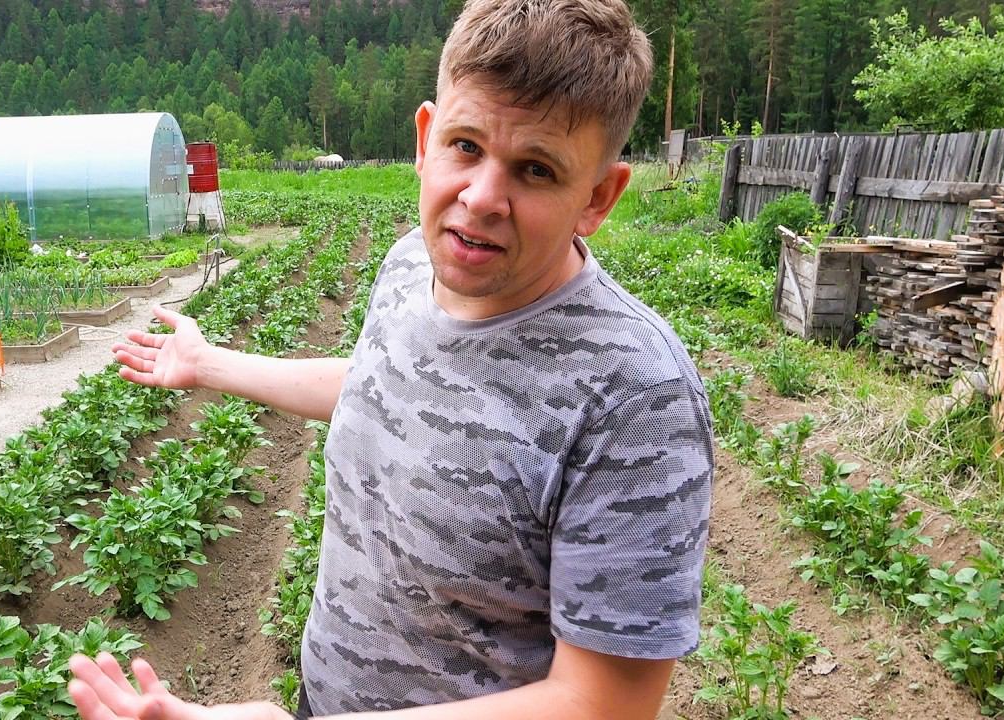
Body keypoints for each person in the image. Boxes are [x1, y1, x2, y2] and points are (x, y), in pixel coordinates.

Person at [68, 0, 713, 717]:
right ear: (426, 139)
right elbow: (384, 386)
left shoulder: (636, 396)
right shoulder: (412, 263)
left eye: (535, 169)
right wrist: (208, 362)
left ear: (597, 197)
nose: (482, 198)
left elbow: (602, 704)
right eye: (466, 146)